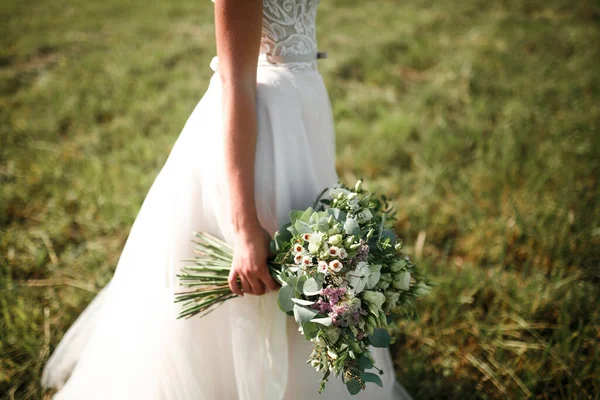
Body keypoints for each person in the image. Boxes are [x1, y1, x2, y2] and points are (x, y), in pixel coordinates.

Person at [41, 0, 413, 398]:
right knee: (265, 275)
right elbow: (236, 84)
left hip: (302, 110)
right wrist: (245, 227)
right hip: (263, 128)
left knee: (309, 263)